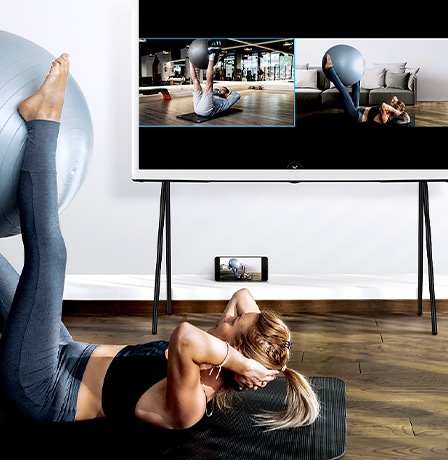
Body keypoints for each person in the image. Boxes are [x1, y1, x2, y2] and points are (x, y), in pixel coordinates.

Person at [0, 53, 319, 431]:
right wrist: (247, 349)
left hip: (42, 389)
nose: (228, 314)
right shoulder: (213, 354)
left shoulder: (191, 403)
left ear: (228, 354)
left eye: (232, 324)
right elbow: (243, 295)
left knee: (51, 256)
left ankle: (44, 120)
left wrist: (239, 360)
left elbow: (185, 337)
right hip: (63, 352)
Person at [323, 53, 410, 126]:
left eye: (393, 104)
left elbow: (383, 105)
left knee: (344, 91)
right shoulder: (389, 109)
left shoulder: (385, 119)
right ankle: (351, 66)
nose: (392, 101)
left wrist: (395, 111)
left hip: (354, 116)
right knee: (356, 84)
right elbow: (395, 98)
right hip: (358, 109)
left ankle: (330, 69)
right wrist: (398, 107)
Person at [190, 46, 241, 117]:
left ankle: (212, 54)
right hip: (197, 108)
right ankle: (190, 60)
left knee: (209, 84)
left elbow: (237, 96)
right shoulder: (214, 98)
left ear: (227, 94)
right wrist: (217, 91)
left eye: (223, 90)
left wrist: (230, 93)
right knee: (196, 82)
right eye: (220, 89)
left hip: (206, 111)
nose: (220, 90)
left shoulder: (227, 103)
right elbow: (213, 92)